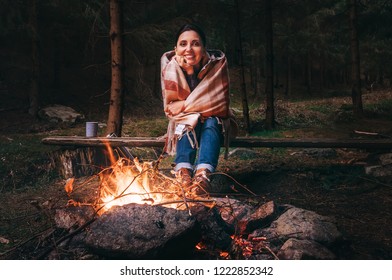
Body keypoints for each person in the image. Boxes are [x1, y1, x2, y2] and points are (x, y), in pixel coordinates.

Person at [160, 23, 237, 194]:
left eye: (195, 43)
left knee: (211, 120)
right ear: (176, 48)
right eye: (183, 44)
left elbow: (220, 105)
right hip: (186, 123)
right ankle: (184, 173)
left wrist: (186, 106)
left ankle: (203, 176)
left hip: (216, 122)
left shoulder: (217, 64)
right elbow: (171, 109)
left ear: (203, 48)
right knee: (188, 120)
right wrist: (187, 72)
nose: (189, 48)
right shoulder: (170, 67)